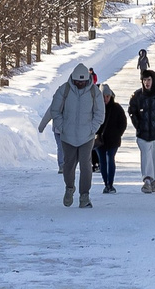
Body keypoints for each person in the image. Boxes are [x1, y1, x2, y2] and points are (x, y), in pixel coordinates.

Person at [36, 63, 106, 207]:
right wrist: (62, 127)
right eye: (77, 81)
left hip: (86, 136)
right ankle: (69, 188)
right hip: (67, 136)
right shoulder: (64, 90)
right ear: (72, 79)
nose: (80, 84)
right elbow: (55, 110)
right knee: (68, 165)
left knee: (86, 165)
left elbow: (100, 113)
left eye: (83, 81)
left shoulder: (94, 92)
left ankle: (84, 196)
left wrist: (92, 128)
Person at [92, 85, 128, 193]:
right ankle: (106, 183)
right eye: (103, 96)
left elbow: (123, 123)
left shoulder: (116, 108)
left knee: (110, 158)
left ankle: (110, 183)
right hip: (100, 140)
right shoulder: (95, 108)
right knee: (102, 161)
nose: (105, 99)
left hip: (113, 140)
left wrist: (118, 134)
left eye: (107, 96)